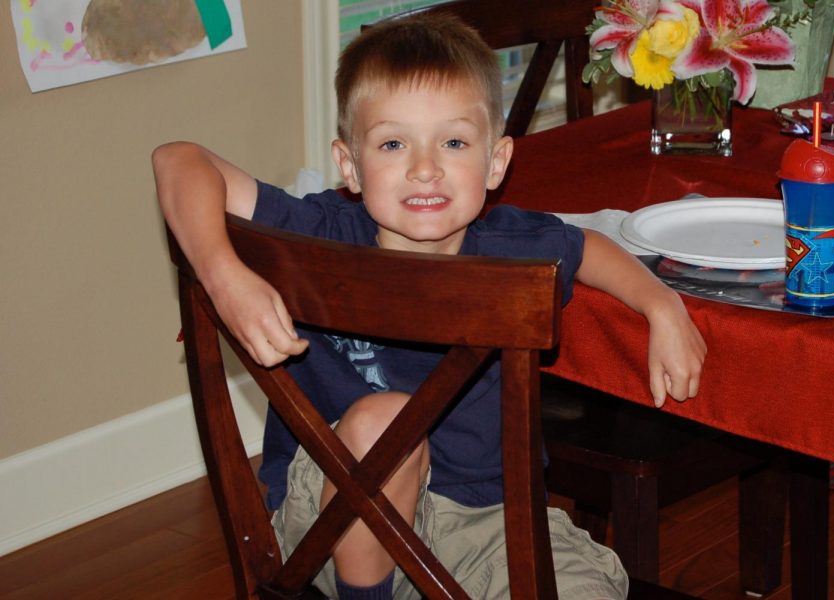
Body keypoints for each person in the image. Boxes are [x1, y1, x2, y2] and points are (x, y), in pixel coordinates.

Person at [154, 12, 705, 600]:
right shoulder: (316, 233)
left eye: (454, 142)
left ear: (495, 163)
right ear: (350, 166)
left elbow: (588, 247)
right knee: (382, 423)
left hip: (488, 522)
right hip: (333, 517)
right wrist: (224, 275)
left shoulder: (514, 248)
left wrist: (661, 304)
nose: (424, 168)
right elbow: (178, 159)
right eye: (393, 143)